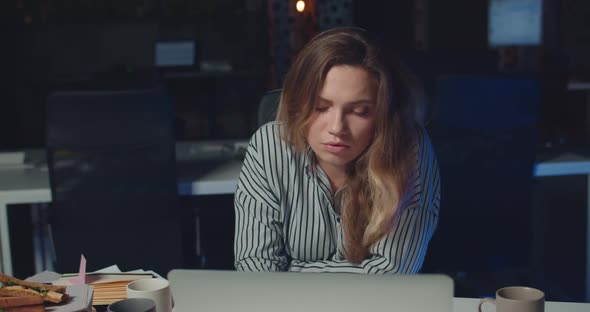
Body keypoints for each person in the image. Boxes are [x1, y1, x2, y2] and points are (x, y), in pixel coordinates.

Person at [234, 27, 440, 273]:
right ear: (298, 104)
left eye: (359, 111)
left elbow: (390, 274)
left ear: (383, 116)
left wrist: (291, 271)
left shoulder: (408, 147)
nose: (336, 128)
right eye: (321, 107)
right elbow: (255, 268)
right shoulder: (269, 145)